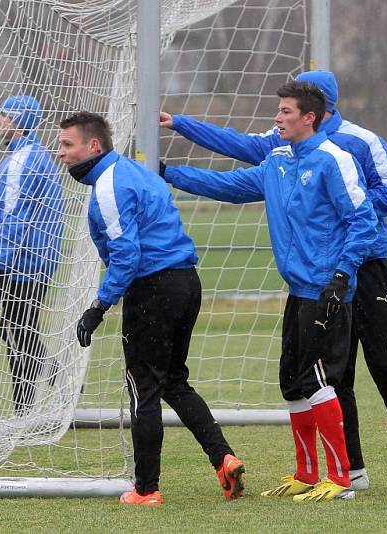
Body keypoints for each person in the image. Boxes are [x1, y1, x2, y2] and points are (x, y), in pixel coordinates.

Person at [160, 70, 387, 491]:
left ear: (315, 111)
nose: (276, 118)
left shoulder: (350, 148)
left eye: (285, 109)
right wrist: (169, 168)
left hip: (357, 270)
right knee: (311, 379)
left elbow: (377, 203)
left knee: (383, 365)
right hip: (306, 284)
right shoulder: (281, 155)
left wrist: (340, 256)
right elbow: (234, 177)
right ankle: (341, 472)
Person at [58, 111, 245, 507]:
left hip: (154, 290)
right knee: (174, 382)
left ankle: (146, 489)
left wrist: (98, 306)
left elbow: (127, 256)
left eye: (67, 145)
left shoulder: (110, 185)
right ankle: (223, 458)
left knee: (144, 390)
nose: (62, 154)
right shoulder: (137, 172)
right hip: (185, 282)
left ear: (94, 146)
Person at [0, 95, 64, 415]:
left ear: (19, 120)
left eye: (4, 115)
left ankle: (25, 408)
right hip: (33, 259)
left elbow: (14, 217)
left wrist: (1, 265)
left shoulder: (23, 160)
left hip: (23, 261)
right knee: (16, 330)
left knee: (18, 331)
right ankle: (55, 381)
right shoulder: (30, 155)